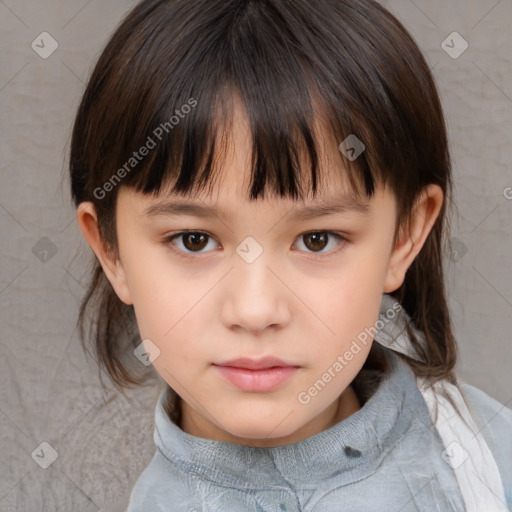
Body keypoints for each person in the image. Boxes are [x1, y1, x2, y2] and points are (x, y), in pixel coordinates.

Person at [69, 0, 512, 510]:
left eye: (318, 239)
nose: (256, 311)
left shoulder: (488, 462)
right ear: (112, 250)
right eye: (194, 240)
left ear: (403, 236)